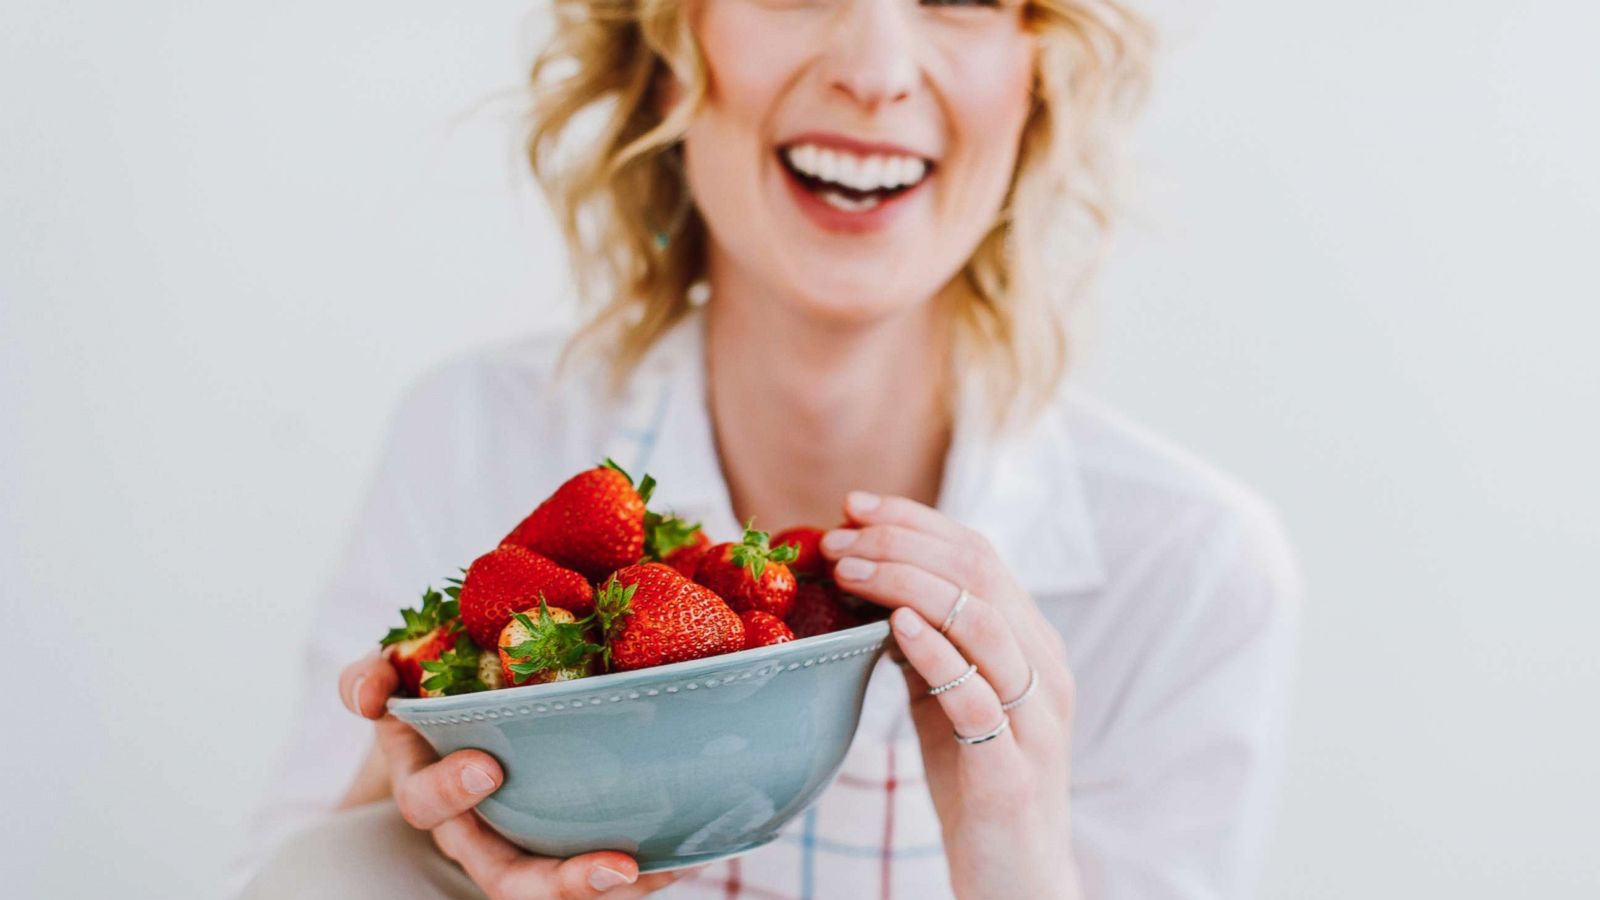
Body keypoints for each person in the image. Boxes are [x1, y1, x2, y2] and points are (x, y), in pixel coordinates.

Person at [241, 0, 1302, 896]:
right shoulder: (477, 433)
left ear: (1033, 83)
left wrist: (1016, 862)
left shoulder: (1187, 570)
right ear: (667, 54)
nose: (876, 71)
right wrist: (418, 841)